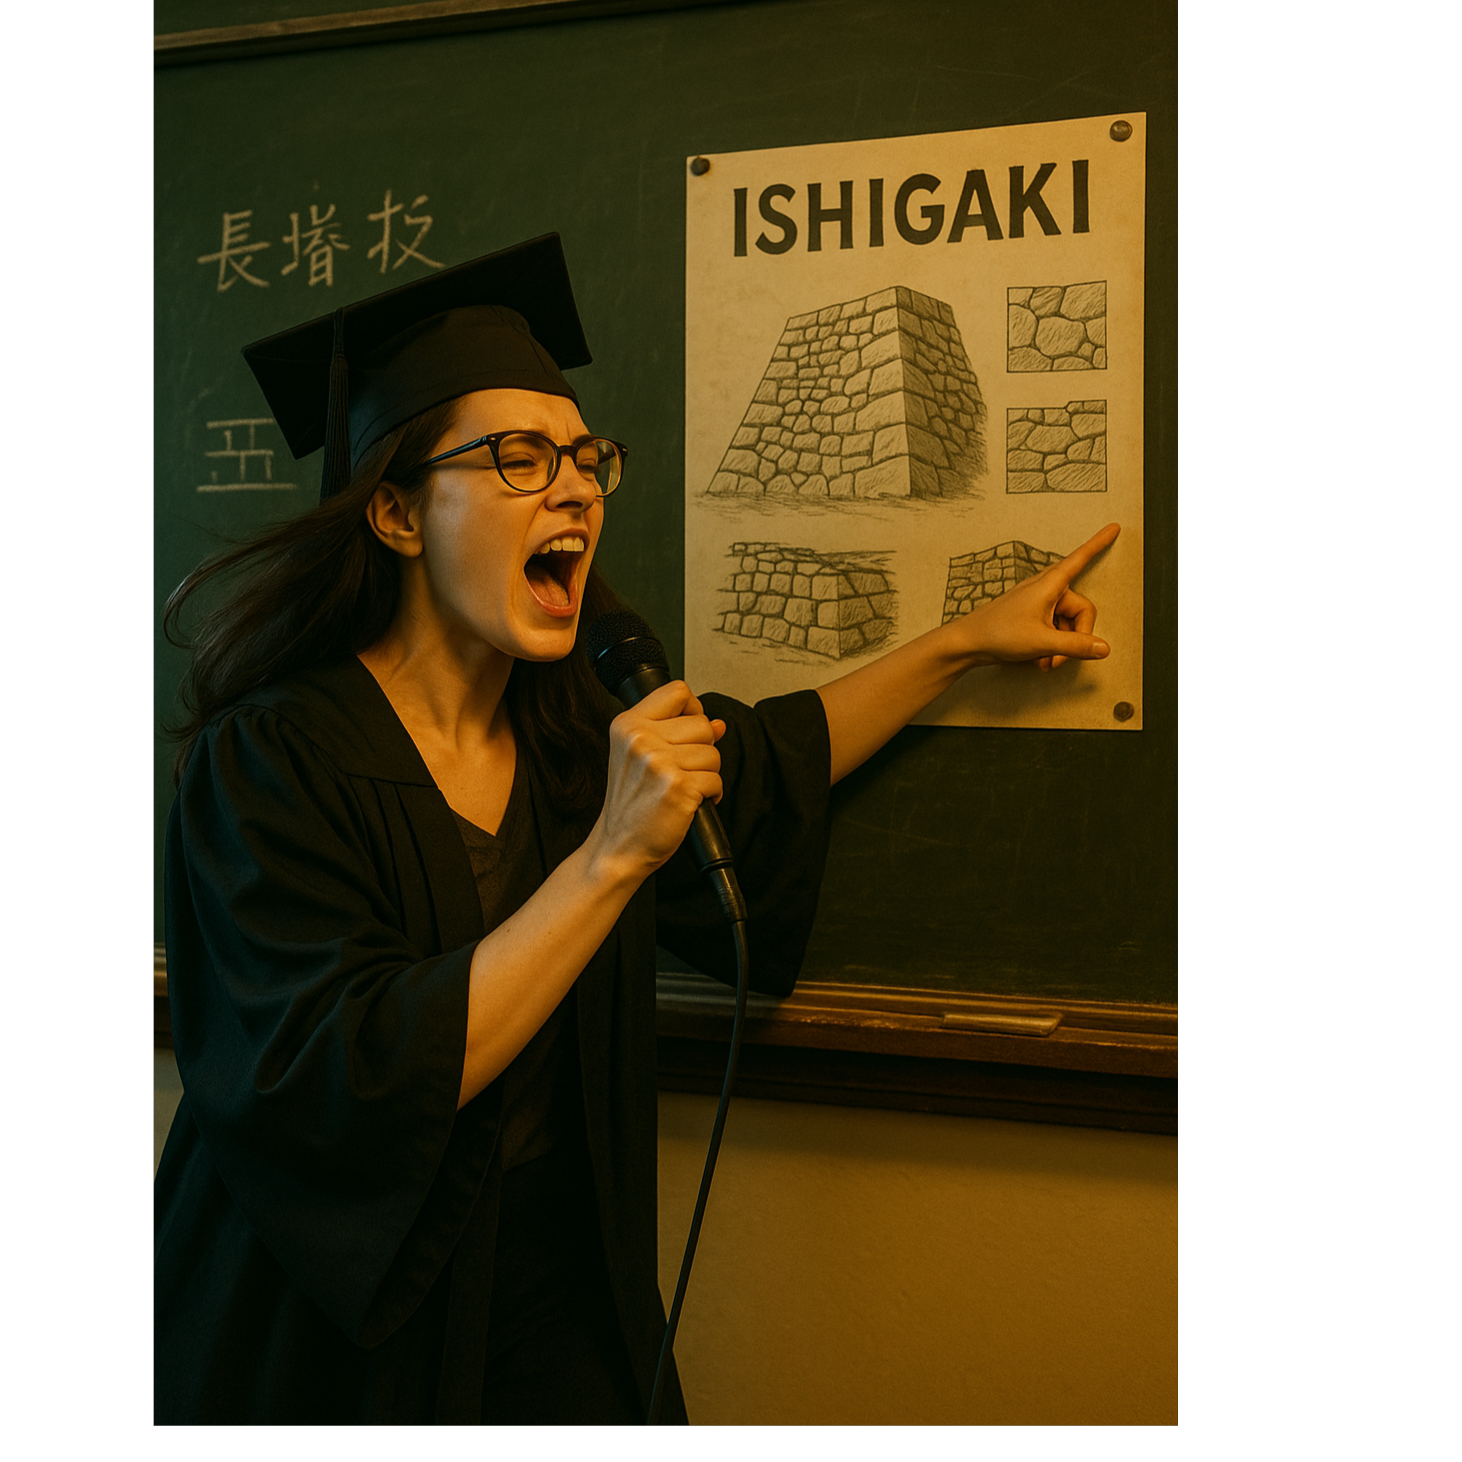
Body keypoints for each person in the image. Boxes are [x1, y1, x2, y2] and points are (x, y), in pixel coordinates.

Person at [153, 233, 1118, 1425]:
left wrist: (964, 642)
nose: (573, 488)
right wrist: (609, 857)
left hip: (555, 1282)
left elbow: (760, 759)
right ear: (397, 513)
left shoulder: (570, 732)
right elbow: (349, 1073)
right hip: (326, 1320)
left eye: (583, 456)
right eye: (517, 458)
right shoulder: (274, 757)